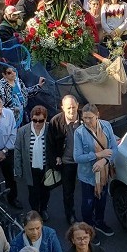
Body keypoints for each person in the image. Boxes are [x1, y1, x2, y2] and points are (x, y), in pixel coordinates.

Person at [74, 104, 119, 236]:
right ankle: (87, 229)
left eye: (90, 118)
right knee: (88, 204)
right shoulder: (80, 132)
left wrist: (104, 161)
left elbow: (114, 149)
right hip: (88, 175)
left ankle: (99, 222)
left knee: (102, 200)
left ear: (97, 115)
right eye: (84, 118)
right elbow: (77, 157)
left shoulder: (106, 126)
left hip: (103, 173)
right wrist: (98, 155)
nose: (87, 121)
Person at [14, 105, 58, 218]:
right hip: (30, 168)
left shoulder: (50, 129)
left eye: (41, 120)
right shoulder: (22, 131)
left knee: (45, 191)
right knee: (33, 192)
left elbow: (57, 145)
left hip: (46, 167)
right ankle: (35, 212)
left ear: (46, 119)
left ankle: (43, 209)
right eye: (35, 120)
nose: (37, 123)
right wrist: (18, 169)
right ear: (31, 118)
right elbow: (18, 151)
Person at [51, 96, 82, 225]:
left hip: (84, 161)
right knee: (68, 192)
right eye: (68, 108)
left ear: (78, 106)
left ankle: (90, 216)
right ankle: (70, 215)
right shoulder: (56, 121)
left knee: (89, 189)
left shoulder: (85, 118)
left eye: (73, 107)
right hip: (68, 163)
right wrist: (56, 157)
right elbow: (51, 143)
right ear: (62, 108)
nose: (71, 111)